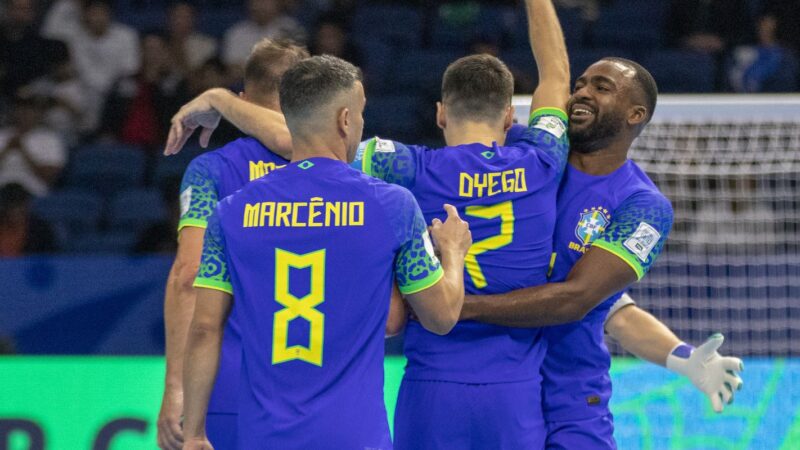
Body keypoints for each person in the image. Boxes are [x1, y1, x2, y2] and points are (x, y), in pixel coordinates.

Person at [169, 1, 569, 447]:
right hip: (496, 394)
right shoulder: (539, 160)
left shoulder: (402, 167)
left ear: (440, 114)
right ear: (511, 116)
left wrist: (221, 99)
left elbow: (295, 137)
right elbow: (555, 76)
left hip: (402, 392)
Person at [181, 55, 471, 450]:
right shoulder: (392, 205)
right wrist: (453, 252)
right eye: (363, 114)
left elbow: (203, 329)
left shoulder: (230, 212)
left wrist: (195, 433)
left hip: (264, 437)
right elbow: (441, 317)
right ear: (346, 120)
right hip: (355, 437)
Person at [462, 57, 744, 448]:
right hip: (486, 381)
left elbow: (588, 301)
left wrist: (457, 306)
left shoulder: (641, 205)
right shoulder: (526, 152)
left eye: (601, 87)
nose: (581, 92)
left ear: (635, 114)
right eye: (579, 84)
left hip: (570, 399)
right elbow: (615, 310)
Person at [156, 39, 308, 450]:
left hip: (230, 381)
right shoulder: (340, 164)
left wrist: (176, 388)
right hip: (320, 382)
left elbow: (189, 277)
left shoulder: (211, 170)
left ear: (243, 102)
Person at [0, 95, 66, 196]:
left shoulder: (50, 139)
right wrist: (6, 150)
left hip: (32, 193)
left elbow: (49, 177)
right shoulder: (2, 135)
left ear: (39, 113)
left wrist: (23, 151)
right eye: (20, 108)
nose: (24, 113)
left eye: (29, 109)